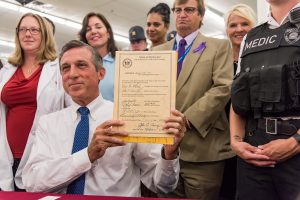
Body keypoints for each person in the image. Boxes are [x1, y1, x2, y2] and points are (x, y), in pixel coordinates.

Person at [22, 40, 186, 196]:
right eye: (65, 68)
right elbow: (32, 182)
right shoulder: (48, 124)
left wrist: (169, 155)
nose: (72, 74)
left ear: (101, 73)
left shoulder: (127, 117)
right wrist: (87, 155)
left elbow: (162, 185)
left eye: (81, 65)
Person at [153, 0, 234, 199]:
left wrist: (186, 119)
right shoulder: (156, 52)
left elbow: (223, 87)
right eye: (178, 10)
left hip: (202, 150)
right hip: (164, 149)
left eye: (189, 10)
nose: (182, 14)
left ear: (201, 16)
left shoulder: (219, 46)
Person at [230, 0, 300, 200]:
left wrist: (296, 142)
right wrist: (235, 141)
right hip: (253, 153)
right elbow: (238, 94)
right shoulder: (250, 37)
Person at [0, 13, 69, 191]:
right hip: (7, 155)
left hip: (42, 154)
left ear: (44, 34)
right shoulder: (7, 70)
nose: (27, 34)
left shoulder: (57, 68)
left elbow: (71, 111)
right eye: (22, 29)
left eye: (33, 30)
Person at [220, 4, 256, 200]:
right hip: (222, 141)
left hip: (253, 138)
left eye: (245, 23)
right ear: (226, 30)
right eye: (233, 25)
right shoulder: (219, 62)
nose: (239, 29)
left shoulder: (261, 58)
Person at [79, 12, 118, 102]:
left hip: (115, 115)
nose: (93, 31)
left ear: (108, 33)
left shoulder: (121, 63)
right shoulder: (79, 65)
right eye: (88, 29)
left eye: (98, 27)